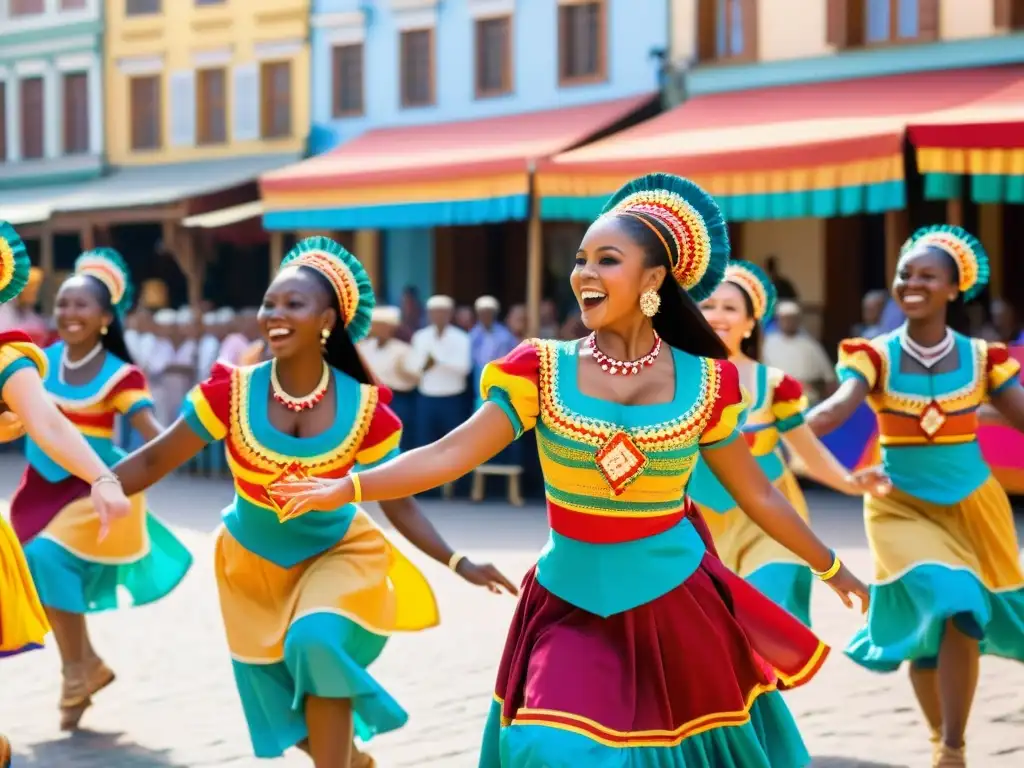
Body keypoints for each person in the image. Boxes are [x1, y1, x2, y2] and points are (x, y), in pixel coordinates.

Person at [275, 174, 871, 768]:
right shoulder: (540, 369)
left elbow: (760, 496)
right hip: (571, 602)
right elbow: (449, 453)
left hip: (678, 603)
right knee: (549, 746)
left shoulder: (708, 383)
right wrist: (348, 486)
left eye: (606, 260)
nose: (583, 273)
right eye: (580, 259)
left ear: (654, 280)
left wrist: (834, 567)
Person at [62, 237, 515, 767]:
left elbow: (400, 499)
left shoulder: (365, 408)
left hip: (338, 556)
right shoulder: (231, 393)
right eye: (269, 303)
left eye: (292, 305)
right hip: (251, 570)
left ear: (327, 319)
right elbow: (153, 461)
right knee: (283, 711)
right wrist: (101, 487)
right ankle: (347, 758)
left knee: (316, 643)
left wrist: (458, 562)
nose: (274, 314)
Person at [807, 225, 1024, 768]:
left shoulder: (983, 358)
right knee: (951, 596)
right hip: (898, 505)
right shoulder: (873, 355)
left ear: (955, 288)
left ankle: (949, 746)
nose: (913, 283)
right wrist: (790, 424)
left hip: (973, 505)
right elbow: (837, 407)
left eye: (928, 275)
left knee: (955, 620)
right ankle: (949, 748)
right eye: (907, 273)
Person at [7, 247, 193, 731]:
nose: (69, 314)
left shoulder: (119, 374)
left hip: (94, 489)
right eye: (62, 304)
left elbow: (155, 432)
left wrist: (198, 429)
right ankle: (86, 663)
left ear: (106, 317)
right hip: (41, 488)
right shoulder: (35, 361)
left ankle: (74, 671)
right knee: (35, 564)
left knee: (45, 559)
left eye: (81, 305)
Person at [690, 260, 890, 626]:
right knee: (708, 637)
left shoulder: (774, 384)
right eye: (708, 305)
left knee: (766, 617)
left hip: (768, 524)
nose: (717, 315)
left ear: (751, 323)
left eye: (730, 307)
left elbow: (809, 453)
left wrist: (850, 482)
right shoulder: (672, 380)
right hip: (695, 525)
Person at [0, 223, 132, 768]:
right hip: (37, 494)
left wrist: (104, 478)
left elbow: (48, 423)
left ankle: (78, 666)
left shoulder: (9, 356)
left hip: (77, 493)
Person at [407, 295, 471, 450]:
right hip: (427, 399)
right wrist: (425, 365)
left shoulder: (461, 338)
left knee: (454, 447)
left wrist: (438, 362)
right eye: (434, 312)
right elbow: (413, 366)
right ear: (429, 314)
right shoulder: (420, 337)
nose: (438, 316)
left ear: (450, 314)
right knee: (424, 445)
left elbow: (465, 367)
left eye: (442, 312)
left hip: (452, 400)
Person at [358, 306, 419, 446]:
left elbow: (414, 379)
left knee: (399, 439)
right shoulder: (364, 347)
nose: (375, 328)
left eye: (380, 325)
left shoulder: (403, 349)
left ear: (391, 328)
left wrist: (402, 372)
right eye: (374, 325)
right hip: (371, 399)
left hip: (397, 400)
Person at [762, 300, 838, 405]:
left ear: (798, 320)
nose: (788, 322)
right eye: (785, 319)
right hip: (777, 397)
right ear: (778, 320)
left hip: (807, 396)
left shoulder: (810, 343)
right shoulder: (768, 343)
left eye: (792, 319)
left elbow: (829, 377)